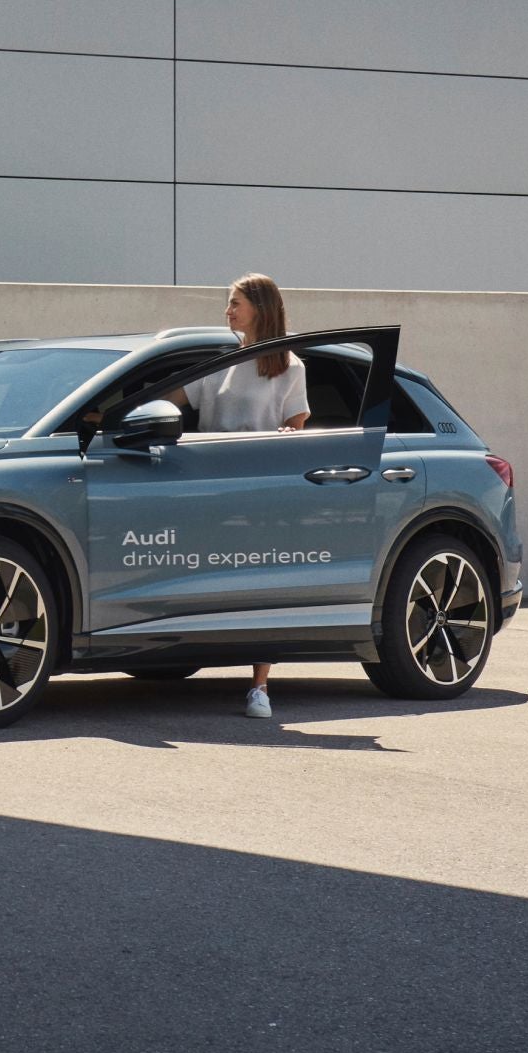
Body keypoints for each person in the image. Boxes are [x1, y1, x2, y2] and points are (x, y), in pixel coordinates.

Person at [168, 273, 308, 719]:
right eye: (228, 304)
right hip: (209, 486)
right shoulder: (219, 363)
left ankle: (260, 686)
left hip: (260, 489)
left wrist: (286, 436)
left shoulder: (289, 366)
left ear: (260, 309)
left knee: (259, 585)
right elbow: (170, 400)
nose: (227, 312)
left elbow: (296, 429)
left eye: (235, 304)